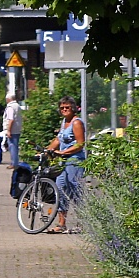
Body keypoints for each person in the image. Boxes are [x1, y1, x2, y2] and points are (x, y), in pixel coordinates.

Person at [46, 96, 86, 233]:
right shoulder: (65, 122)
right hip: (63, 161)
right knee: (60, 189)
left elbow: (80, 144)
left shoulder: (76, 123)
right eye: (62, 107)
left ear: (73, 108)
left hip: (74, 160)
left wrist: (62, 153)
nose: (64, 110)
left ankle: (82, 223)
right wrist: (47, 151)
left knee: (75, 191)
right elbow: (58, 140)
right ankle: (61, 224)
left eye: (67, 107)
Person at [3, 92, 23, 166]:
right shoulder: (17, 105)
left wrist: (8, 130)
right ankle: (15, 162)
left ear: (8, 99)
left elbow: (10, 119)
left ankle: (14, 163)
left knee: (12, 146)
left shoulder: (10, 107)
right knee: (15, 146)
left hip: (12, 130)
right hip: (17, 129)